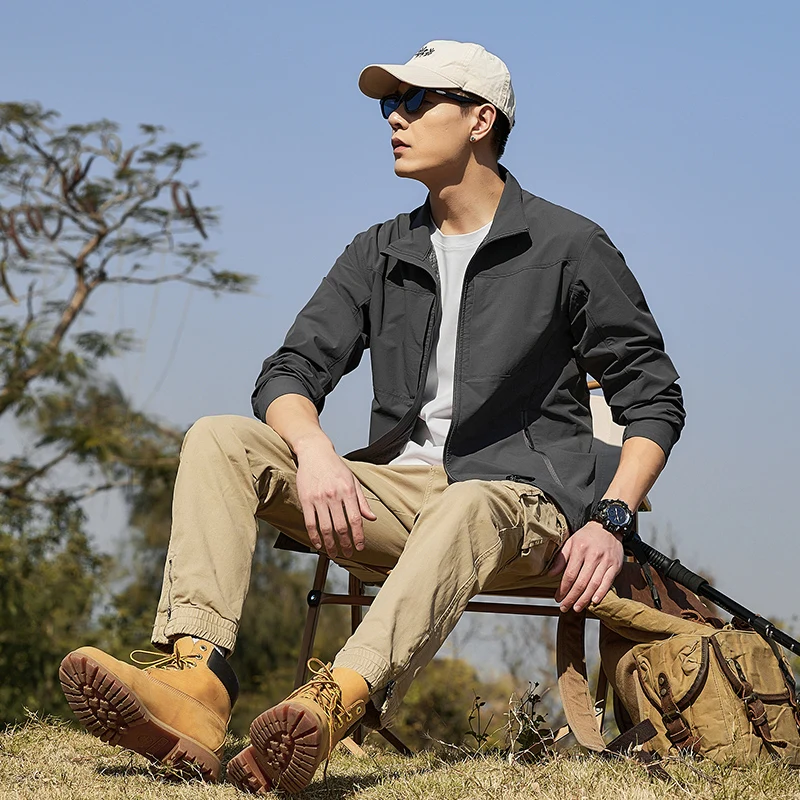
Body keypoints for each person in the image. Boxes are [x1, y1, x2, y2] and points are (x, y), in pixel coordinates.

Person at [59, 40, 685, 793]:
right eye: (390, 103)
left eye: (416, 101)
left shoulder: (569, 246)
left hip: (521, 508)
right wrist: (317, 452)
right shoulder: (380, 250)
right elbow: (289, 371)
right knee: (220, 439)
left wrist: (612, 518)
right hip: (395, 498)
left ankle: (332, 703)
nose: (394, 117)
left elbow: (653, 398)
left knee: (469, 499)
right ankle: (196, 678)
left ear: (481, 120)